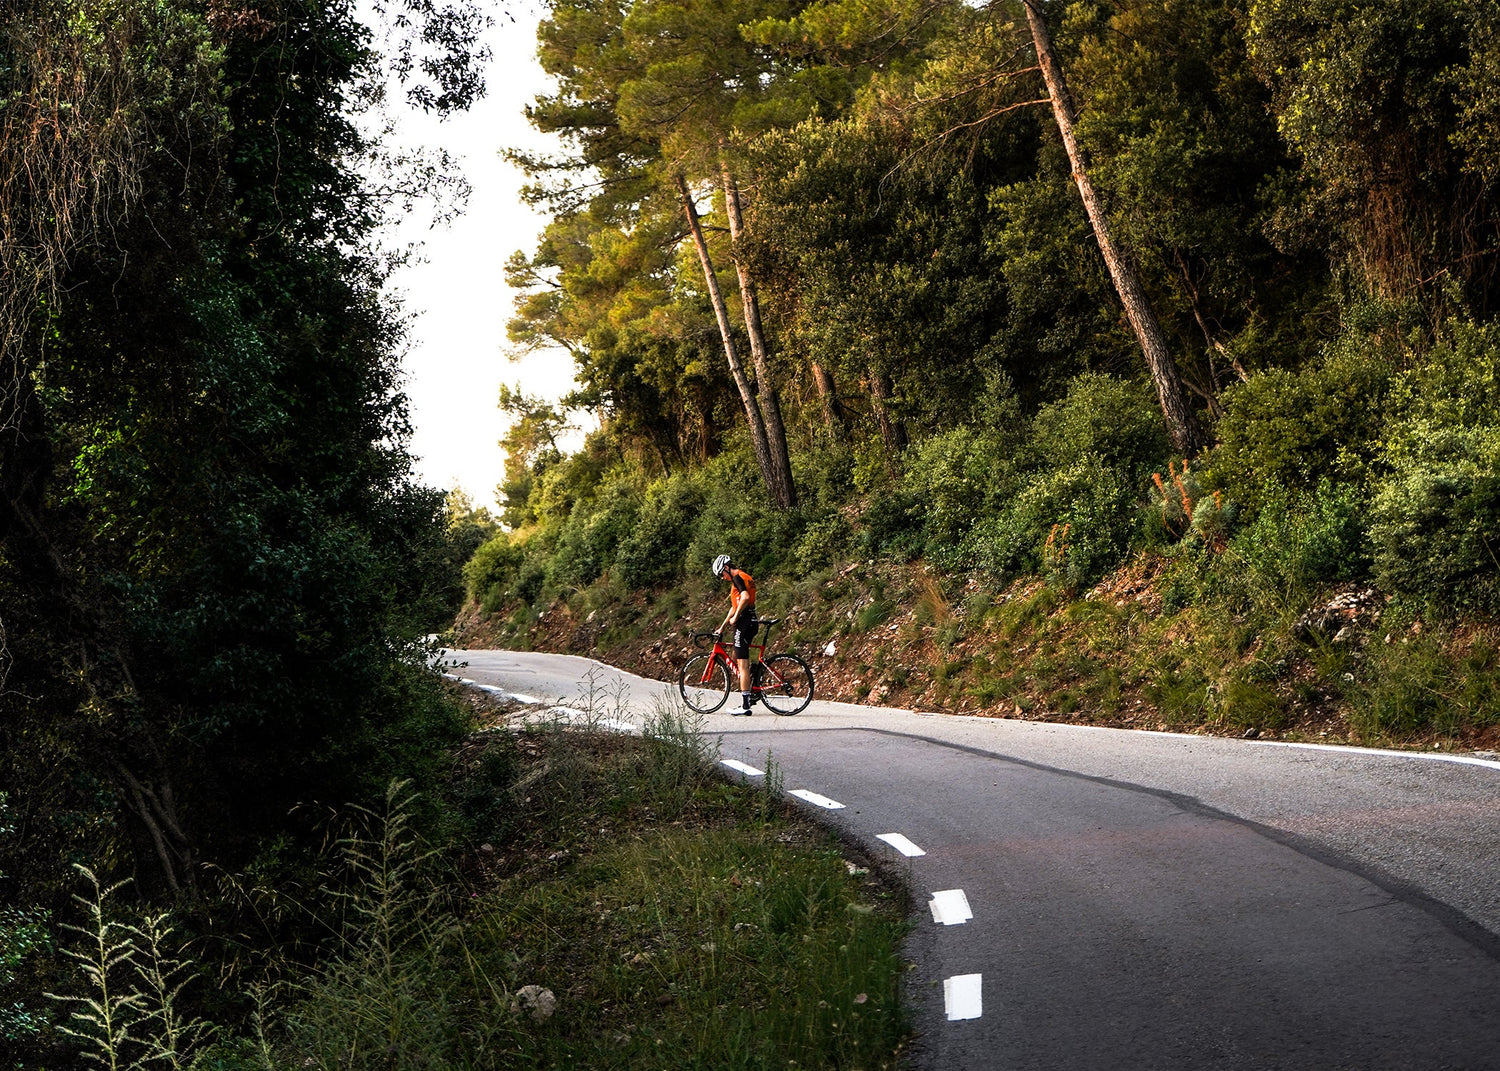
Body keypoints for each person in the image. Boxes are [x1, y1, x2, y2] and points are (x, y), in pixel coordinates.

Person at [712, 554, 758, 714]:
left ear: (726, 568)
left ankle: (746, 705)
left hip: (744, 623)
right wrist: (723, 626)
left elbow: (744, 598)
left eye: (721, 574)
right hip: (750, 621)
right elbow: (734, 606)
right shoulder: (744, 577)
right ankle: (753, 682)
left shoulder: (737, 578)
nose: (722, 578)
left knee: (742, 664)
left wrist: (737, 616)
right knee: (737, 657)